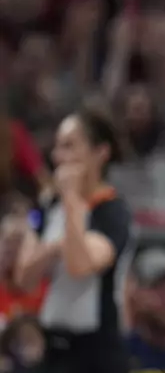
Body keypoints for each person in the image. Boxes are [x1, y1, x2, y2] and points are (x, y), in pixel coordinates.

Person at [12, 108, 134, 373]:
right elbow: (23, 278)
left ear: (100, 153)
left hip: (97, 351)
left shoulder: (112, 211)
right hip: (52, 346)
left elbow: (79, 265)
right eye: (57, 147)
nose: (57, 156)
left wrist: (70, 199)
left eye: (68, 146)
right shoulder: (48, 206)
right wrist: (55, 247)